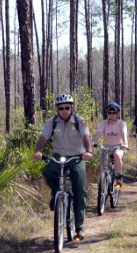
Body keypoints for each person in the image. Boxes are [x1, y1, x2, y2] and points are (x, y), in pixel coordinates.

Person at [33, 94, 93, 241]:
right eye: (61, 108)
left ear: (71, 107)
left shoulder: (80, 121)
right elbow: (43, 137)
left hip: (77, 157)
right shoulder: (52, 122)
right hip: (58, 156)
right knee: (48, 171)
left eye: (67, 107)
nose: (64, 110)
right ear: (57, 109)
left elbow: (86, 137)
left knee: (79, 189)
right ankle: (56, 194)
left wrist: (88, 151)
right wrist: (38, 150)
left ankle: (79, 227)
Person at [92, 102, 129, 187]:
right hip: (106, 147)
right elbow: (98, 133)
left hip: (119, 146)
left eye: (114, 112)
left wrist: (125, 144)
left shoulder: (121, 123)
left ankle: (119, 176)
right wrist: (92, 142)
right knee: (102, 164)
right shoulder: (104, 123)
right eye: (110, 112)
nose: (112, 114)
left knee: (117, 155)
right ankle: (103, 184)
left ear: (117, 113)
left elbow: (124, 134)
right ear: (107, 113)